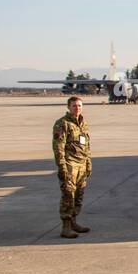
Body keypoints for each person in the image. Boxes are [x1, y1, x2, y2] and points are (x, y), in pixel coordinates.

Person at [52, 96, 92, 239]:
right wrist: (62, 166)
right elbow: (58, 147)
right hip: (70, 165)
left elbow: (86, 145)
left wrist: (88, 162)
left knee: (79, 196)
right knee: (68, 196)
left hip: (81, 165)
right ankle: (66, 227)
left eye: (80, 106)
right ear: (68, 107)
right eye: (74, 106)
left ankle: (74, 222)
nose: (77, 108)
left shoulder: (82, 123)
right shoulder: (62, 124)